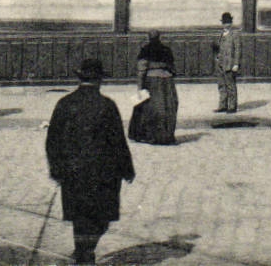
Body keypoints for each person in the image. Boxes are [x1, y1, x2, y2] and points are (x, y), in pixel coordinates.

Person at [46, 59, 135, 266]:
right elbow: (118, 141)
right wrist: (127, 168)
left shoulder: (64, 103)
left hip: (72, 170)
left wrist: (56, 168)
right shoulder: (106, 105)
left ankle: (83, 252)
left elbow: (52, 139)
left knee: (80, 216)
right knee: (100, 218)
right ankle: (86, 254)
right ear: (100, 80)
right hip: (102, 172)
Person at [129, 30, 178, 145]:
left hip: (152, 82)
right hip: (167, 82)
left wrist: (140, 88)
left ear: (149, 38)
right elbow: (173, 69)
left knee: (151, 108)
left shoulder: (145, 50)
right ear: (159, 37)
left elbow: (141, 70)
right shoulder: (166, 50)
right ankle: (166, 135)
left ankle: (150, 136)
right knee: (167, 107)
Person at [213, 12, 242, 113]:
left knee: (230, 85)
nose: (226, 24)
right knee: (221, 85)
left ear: (231, 23)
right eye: (225, 22)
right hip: (220, 64)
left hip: (229, 64)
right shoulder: (220, 34)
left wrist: (236, 64)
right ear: (222, 23)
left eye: (228, 22)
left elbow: (238, 50)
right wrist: (216, 58)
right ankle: (222, 105)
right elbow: (216, 48)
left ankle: (232, 106)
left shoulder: (235, 34)